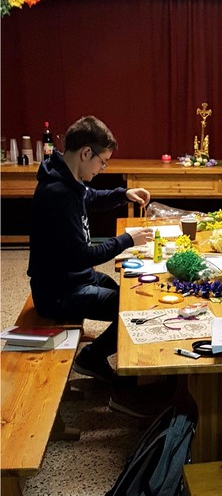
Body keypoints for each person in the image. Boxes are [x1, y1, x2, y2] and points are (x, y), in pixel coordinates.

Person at [28, 115, 153, 386]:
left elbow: (89, 197)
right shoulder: (57, 193)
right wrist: (126, 240)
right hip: (58, 292)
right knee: (134, 312)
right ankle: (91, 358)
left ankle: (108, 351)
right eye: (102, 161)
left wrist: (123, 194)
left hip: (74, 277)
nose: (102, 168)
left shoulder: (66, 176)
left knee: (129, 296)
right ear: (86, 153)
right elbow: (82, 256)